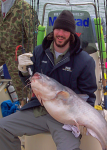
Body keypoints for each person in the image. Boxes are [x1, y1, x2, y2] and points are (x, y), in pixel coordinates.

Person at [0, 10, 97, 150]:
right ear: (53, 30)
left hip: (65, 119)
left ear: (72, 34)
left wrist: (81, 120)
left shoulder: (85, 61)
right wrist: (21, 70)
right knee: (2, 128)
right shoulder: (39, 51)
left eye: (65, 30)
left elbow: (88, 96)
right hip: (38, 109)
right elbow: (29, 80)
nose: (60, 34)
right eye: (58, 29)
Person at [0, 0, 37, 101]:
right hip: (2, 51)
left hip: (17, 57)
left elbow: (33, 38)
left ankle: (24, 107)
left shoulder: (25, 8)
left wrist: (29, 62)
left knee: (23, 92)